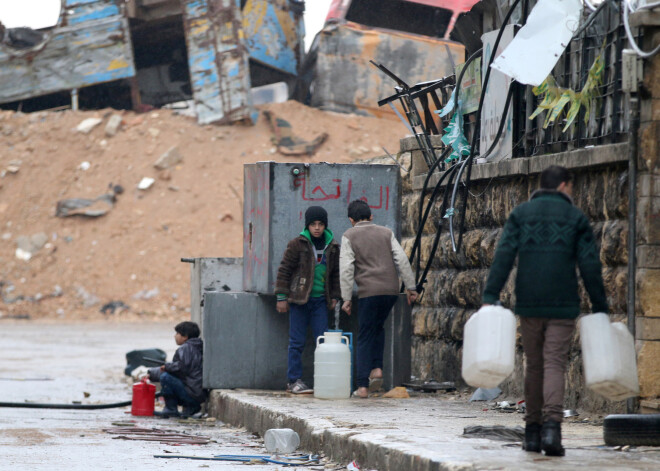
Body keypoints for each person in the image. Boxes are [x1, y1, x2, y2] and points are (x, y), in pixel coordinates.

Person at [482, 165, 608, 456]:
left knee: (535, 364)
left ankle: (533, 432)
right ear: (564, 185)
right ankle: (552, 429)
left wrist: (491, 293)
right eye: (572, 188)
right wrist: (599, 305)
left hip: (529, 301)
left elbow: (504, 254)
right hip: (562, 303)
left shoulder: (521, 214)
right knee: (554, 364)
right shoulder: (575, 217)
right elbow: (590, 264)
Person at [340, 199, 418, 399]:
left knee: (365, 334)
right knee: (378, 327)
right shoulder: (386, 232)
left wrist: (346, 297)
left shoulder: (349, 236)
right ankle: (377, 369)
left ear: (351, 220)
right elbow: (401, 260)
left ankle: (362, 386)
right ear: (371, 216)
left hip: (369, 292)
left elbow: (347, 269)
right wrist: (411, 287)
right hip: (390, 291)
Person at [275, 206, 341, 394]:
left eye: (320, 224)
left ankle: (323, 380)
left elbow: (335, 274)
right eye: (313, 224)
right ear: (308, 225)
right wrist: (282, 297)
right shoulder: (297, 244)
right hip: (299, 301)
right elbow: (284, 270)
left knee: (323, 342)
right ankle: (293, 380)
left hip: (320, 301)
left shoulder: (333, 247)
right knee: (297, 342)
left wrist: (335, 296)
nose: (317, 228)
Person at [148, 321, 205, 418]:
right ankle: (188, 406)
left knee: (165, 377)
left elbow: (181, 367)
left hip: (192, 394)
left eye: (177, 333)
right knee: (167, 375)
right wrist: (152, 373)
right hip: (197, 393)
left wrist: (167, 367)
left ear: (185, 336)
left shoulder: (186, 348)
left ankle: (172, 409)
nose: (175, 336)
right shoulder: (196, 347)